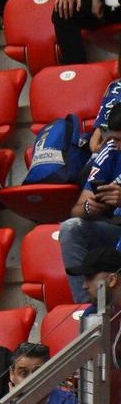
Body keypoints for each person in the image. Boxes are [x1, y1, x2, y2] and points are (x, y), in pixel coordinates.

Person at [58, 119, 121, 306]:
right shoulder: (110, 151)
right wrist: (89, 207)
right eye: (115, 139)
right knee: (71, 228)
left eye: (120, 139)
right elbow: (76, 209)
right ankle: (90, 308)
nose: (117, 146)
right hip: (115, 229)